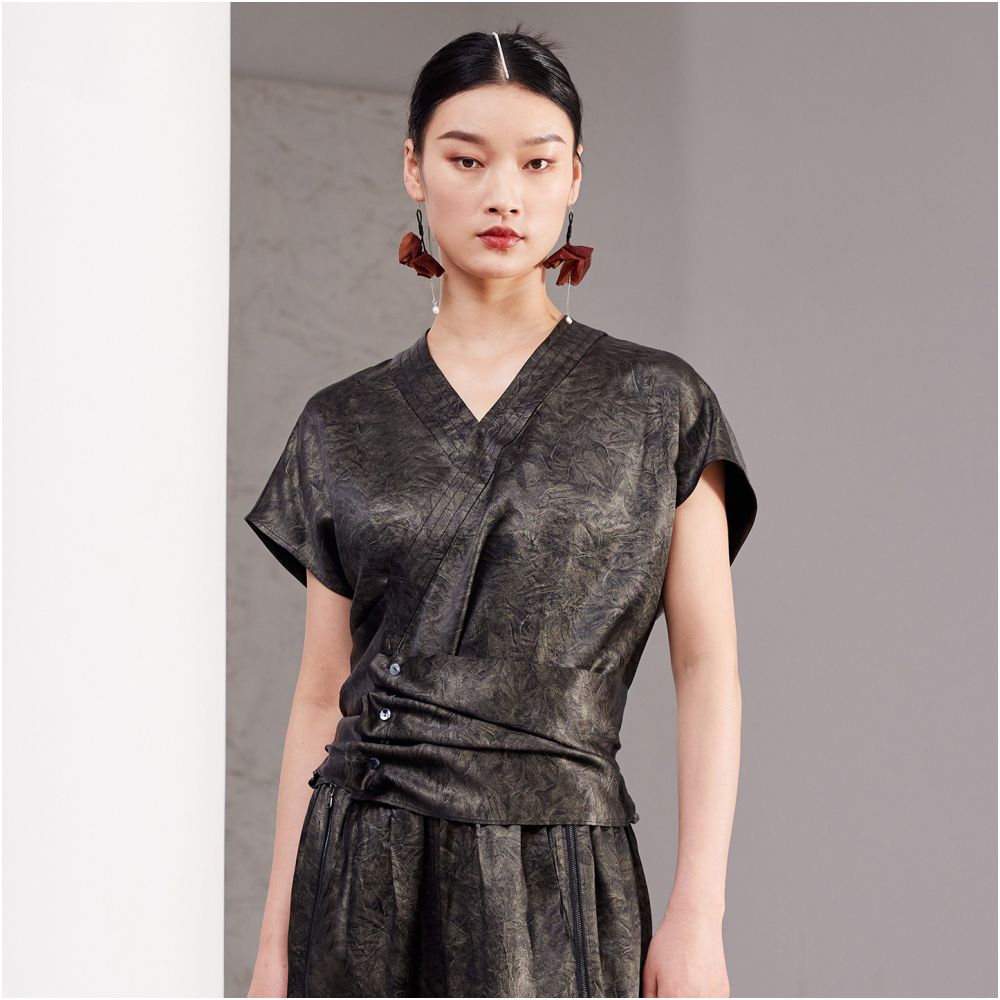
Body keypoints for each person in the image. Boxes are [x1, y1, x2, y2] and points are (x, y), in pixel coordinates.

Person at [245, 25, 758, 1000]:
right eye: (466, 160)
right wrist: (274, 951)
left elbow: (707, 669)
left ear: (575, 178)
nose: (504, 194)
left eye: (537, 162)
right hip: (361, 875)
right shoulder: (339, 423)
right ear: (413, 168)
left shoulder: (661, 404)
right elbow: (319, 696)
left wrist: (699, 912)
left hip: (563, 867)